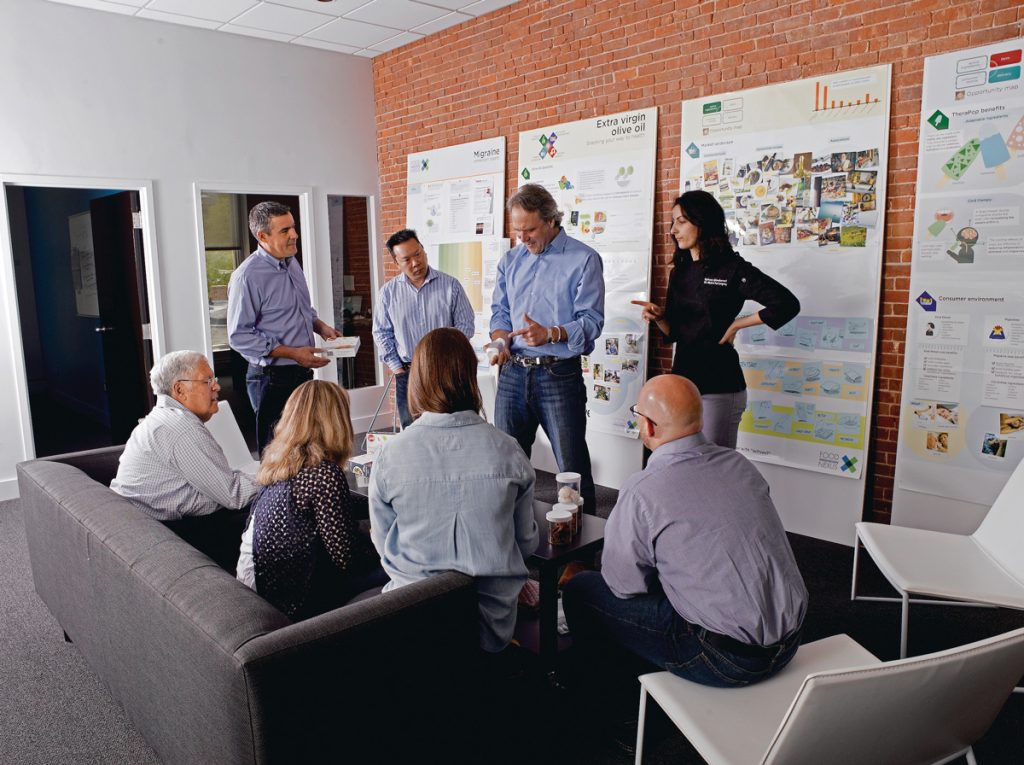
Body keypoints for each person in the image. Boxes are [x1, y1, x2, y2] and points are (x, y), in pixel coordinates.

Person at [563, 374, 807, 695]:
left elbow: (623, 586)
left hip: (724, 660)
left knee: (582, 589)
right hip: (791, 642)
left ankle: (614, 707)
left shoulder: (643, 489)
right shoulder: (740, 464)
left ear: (648, 427)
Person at [370, 328, 538, 652]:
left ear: (418, 378)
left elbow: (383, 544)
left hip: (411, 620)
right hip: (491, 629)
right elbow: (525, 543)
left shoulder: (391, 454)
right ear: (471, 376)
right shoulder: (509, 449)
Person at [632, 190, 799, 448]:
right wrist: (659, 317)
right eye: (673, 222)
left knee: (714, 465)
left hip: (720, 385)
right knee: (685, 462)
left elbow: (786, 304)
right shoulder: (680, 272)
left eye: (681, 221)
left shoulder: (732, 268)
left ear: (702, 221)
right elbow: (675, 332)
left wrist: (738, 324)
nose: (673, 230)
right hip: (683, 386)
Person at [489, 184, 605, 511]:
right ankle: (511, 538)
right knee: (507, 464)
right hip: (512, 374)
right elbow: (500, 312)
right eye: (517, 231)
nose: (523, 238)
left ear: (552, 221)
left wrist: (551, 334)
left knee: (572, 468)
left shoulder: (584, 260)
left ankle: (585, 549)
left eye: (530, 229)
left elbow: (592, 322)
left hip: (558, 375)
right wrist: (500, 339)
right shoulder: (510, 261)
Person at [236, 380, 385, 620]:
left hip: (257, 582)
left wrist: (381, 503)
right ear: (335, 421)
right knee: (407, 565)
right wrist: (381, 540)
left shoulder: (280, 462)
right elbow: (346, 559)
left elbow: (340, 504)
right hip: (293, 599)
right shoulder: (323, 474)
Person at [111, 350, 257, 570]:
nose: (217, 387)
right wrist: (277, 472)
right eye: (208, 381)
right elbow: (233, 495)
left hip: (152, 522)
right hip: (172, 532)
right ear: (179, 389)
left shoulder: (163, 417)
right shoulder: (181, 429)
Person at [228, 201, 340, 454]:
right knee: (277, 451)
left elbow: (302, 309)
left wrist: (320, 326)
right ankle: (275, 495)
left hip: (300, 371)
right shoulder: (247, 277)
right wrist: (292, 352)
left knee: (306, 444)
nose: (294, 235)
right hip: (270, 378)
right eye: (285, 230)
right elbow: (239, 336)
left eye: (293, 227)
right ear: (262, 236)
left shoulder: (291, 262)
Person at [371, 229, 475, 428]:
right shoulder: (388, 293)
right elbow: (381, 332)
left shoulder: (450, 285)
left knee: (450, 428)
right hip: (407, 373)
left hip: (445, 372)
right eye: (407, 259)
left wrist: (446, 357)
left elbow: (466, 325)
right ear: (396, 262)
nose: (415, 263)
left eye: (417, 254)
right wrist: (398, 369)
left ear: (424, 251)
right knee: (412, 433)